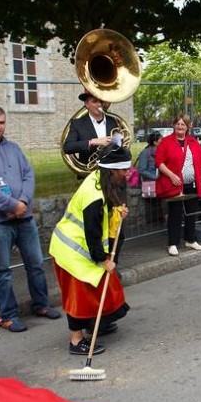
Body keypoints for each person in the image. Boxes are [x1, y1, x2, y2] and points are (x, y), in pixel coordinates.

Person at [0, 104, 61, 333]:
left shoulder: (14, 148)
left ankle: (41, 304)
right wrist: (10, 205)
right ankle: (8, 315)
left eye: (1, 122)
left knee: (36, 263)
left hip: (24, 216)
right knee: (2, 270)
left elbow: (28, 175)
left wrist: (23, 202)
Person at [49, 145, 132, 356]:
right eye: (123, 169)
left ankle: (100, 322)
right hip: (71, 251)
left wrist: (116, 213)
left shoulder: (101, 178)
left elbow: (105, 217)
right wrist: (104, 260)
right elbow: (93, 234)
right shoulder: (93, 196)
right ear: (112, 169)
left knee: (105, 285)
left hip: (81, 248)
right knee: (79, 296)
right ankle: (76, 341)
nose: (127, 173)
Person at [155, 114, 201, 256]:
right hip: (175, 185)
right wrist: (171, 175)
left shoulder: (193, 142)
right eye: (177, 123)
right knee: (175, 214)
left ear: (188, 127)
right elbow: (159, 162)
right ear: (173, 125)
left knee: (191, 213)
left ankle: (191, 240)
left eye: (183, 124)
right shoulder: (166, 142)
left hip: (192, 183)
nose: (180, 126)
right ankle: (172, 243)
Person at [63, 91, 122, 179]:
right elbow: (68, 147)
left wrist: (115, 143)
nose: (99, 104)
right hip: (88, 175)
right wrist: (92, 142)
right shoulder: (77, 123)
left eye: (101, 101)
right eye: (94, 101)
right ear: (87, 104)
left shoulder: (113, 121)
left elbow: (121, 145)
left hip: (112, 174)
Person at [137, 132, 164, 224]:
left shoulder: (161, 152)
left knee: (160, 202)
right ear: (155, 142)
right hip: (150, 182)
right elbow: (142, 170)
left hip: (159, 181)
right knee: (151, 203)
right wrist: (155, 177)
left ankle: (160, 220)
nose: (163, 141)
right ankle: (152, 223)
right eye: (161, 139)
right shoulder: (145, 153)